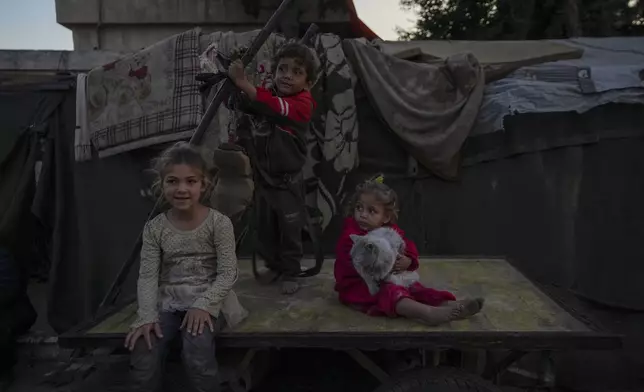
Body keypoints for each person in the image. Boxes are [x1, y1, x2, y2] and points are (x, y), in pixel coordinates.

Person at [125, 142, 245, 392]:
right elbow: (147, 276)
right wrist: (146, 316)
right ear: (162, 184)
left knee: (196, 345)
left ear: (203, 184)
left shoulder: (218, 223)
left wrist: (204, 304)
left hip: (211, 300)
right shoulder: (155, 228)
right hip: (169, 301)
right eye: (172, 181)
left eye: (190, 181)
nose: (182, 189)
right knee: (144, 346)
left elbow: (228, 273)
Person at [227, 42, 319, 295]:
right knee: (266, 227)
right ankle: (275, 266)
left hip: (287, 182)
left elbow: (274, 107)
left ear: (307, 82)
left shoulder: (302, 105)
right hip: (264, 180)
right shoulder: (270, 98)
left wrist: (244, 83)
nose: (287, 75)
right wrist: (238, 91)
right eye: (282, 69)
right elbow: (252, 104)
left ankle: (290, 271)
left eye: (297, 72)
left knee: (289, 229)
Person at [334, 176, 484, 326]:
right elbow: (355, 264)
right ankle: (427, 313)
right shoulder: (352, 237)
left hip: (389, 278)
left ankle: (450, 306)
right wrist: (384, 267)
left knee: (415, 287)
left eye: (371, 211)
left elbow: (406, 245)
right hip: (360, 286)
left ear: (386, 217)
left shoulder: (388, 231)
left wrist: (409, 260)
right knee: (391, 293)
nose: (363, 214)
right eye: (359, 208)